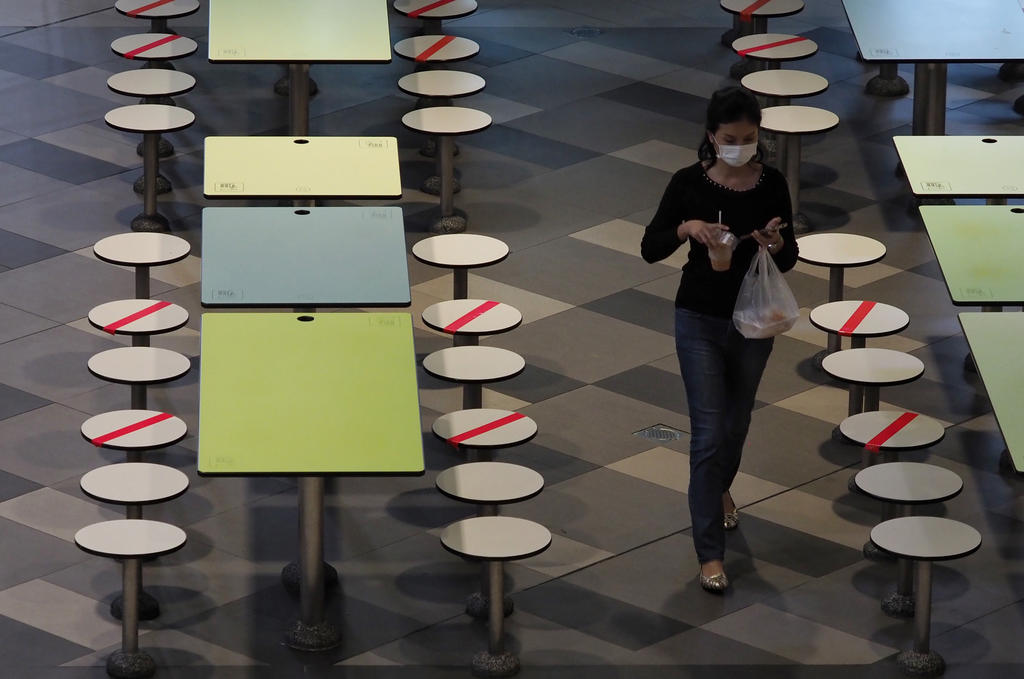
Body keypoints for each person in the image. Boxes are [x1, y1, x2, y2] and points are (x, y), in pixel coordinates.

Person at [640, 87, 798, 594]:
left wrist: (775, 243)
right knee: (708, 434)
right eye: (730, 139)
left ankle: (718, 491)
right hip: (699, 319)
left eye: (749, 139)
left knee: (736, 423)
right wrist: (686, 228)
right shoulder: (687, 183)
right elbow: (650, 247)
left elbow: (789, 254)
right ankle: (709, 553)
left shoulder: (771, 184)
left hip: (754, 319)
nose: (740, 147)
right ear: (712, 137)